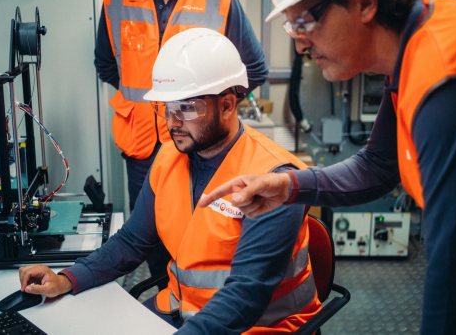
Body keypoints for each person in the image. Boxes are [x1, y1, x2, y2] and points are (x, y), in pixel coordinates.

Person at [199, 0, 456, 334]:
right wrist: (288, 185)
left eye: (304, 21)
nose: (300, 44)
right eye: (292, 27)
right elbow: (379, 166)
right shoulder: (409, 54)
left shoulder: (449, 81)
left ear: (365, 0)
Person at [20, 29, 321, 334]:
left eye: (187, 108)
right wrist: (67, 279)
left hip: (259, 327)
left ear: (228, 105)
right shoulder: (169, 157)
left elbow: (245, 295)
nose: (173, 122)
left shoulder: (273, 178)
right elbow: (132, 241)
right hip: (182, 311)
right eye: (167, 107)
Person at [95, 0, 268, 283]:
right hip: (144, 145)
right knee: (153, 238)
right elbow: (106, 64)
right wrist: (150, 102)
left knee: (209, 234)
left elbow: (254, 70)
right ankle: (169, 301)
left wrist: (213, 116)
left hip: (203, 147)